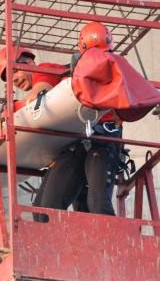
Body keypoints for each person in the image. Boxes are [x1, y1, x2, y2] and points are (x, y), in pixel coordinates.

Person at [34, 21, 125, 217]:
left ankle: (109, 245)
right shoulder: (67, 74)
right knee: (42, 211)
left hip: (101, 143)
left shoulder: (117, 74)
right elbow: (42, 91)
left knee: (96, 204)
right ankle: (51, 247)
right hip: (73, 145)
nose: (98, 60)